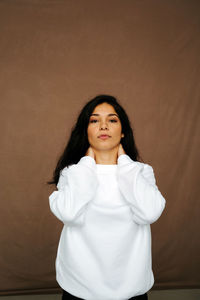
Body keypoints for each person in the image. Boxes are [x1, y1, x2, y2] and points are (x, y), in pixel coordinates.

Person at [47, 95, 166, 300]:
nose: (103, 126)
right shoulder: (72, 173)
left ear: (122, 132)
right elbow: (68, 213)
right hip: (79, 286)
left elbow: (150, 212)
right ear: (86, 131)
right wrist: (86, 165)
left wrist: (126, 164)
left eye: (112, 120)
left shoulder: (141, 172)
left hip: (131, 286)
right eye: (94, 120)